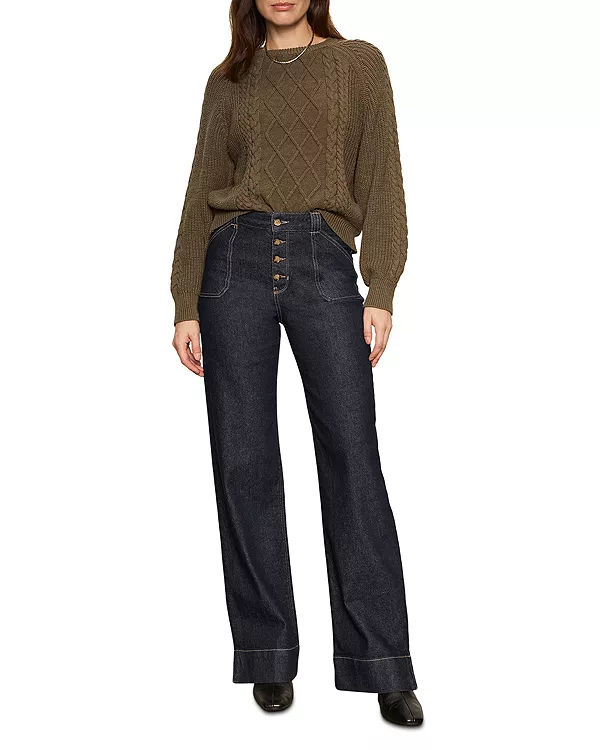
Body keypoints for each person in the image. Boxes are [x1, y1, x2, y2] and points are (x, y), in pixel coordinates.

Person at [170, 0, 423, 727]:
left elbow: (383, 175)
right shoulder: (229, 80)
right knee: (243, 461)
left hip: (323, 263)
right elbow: (200, 191)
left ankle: (382, 664)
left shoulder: (358, 65)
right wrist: (185, 300)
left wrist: (382, 286)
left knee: (353, 456)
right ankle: (268, 654)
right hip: (233, 267)